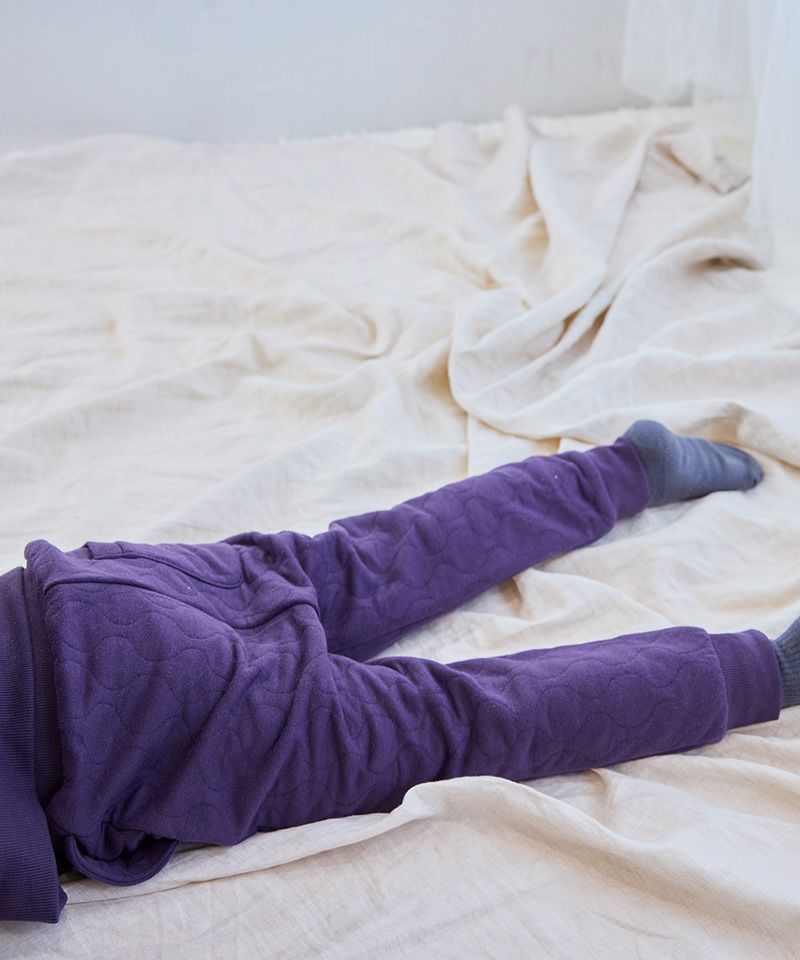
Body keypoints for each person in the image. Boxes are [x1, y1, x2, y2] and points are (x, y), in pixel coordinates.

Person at [2, 419, 797, 925]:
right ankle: (624, 469)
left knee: (454, 718)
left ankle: (769, 670)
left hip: (141, 712)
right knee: (372, 558)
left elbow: (26, 874)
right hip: (88, 589)